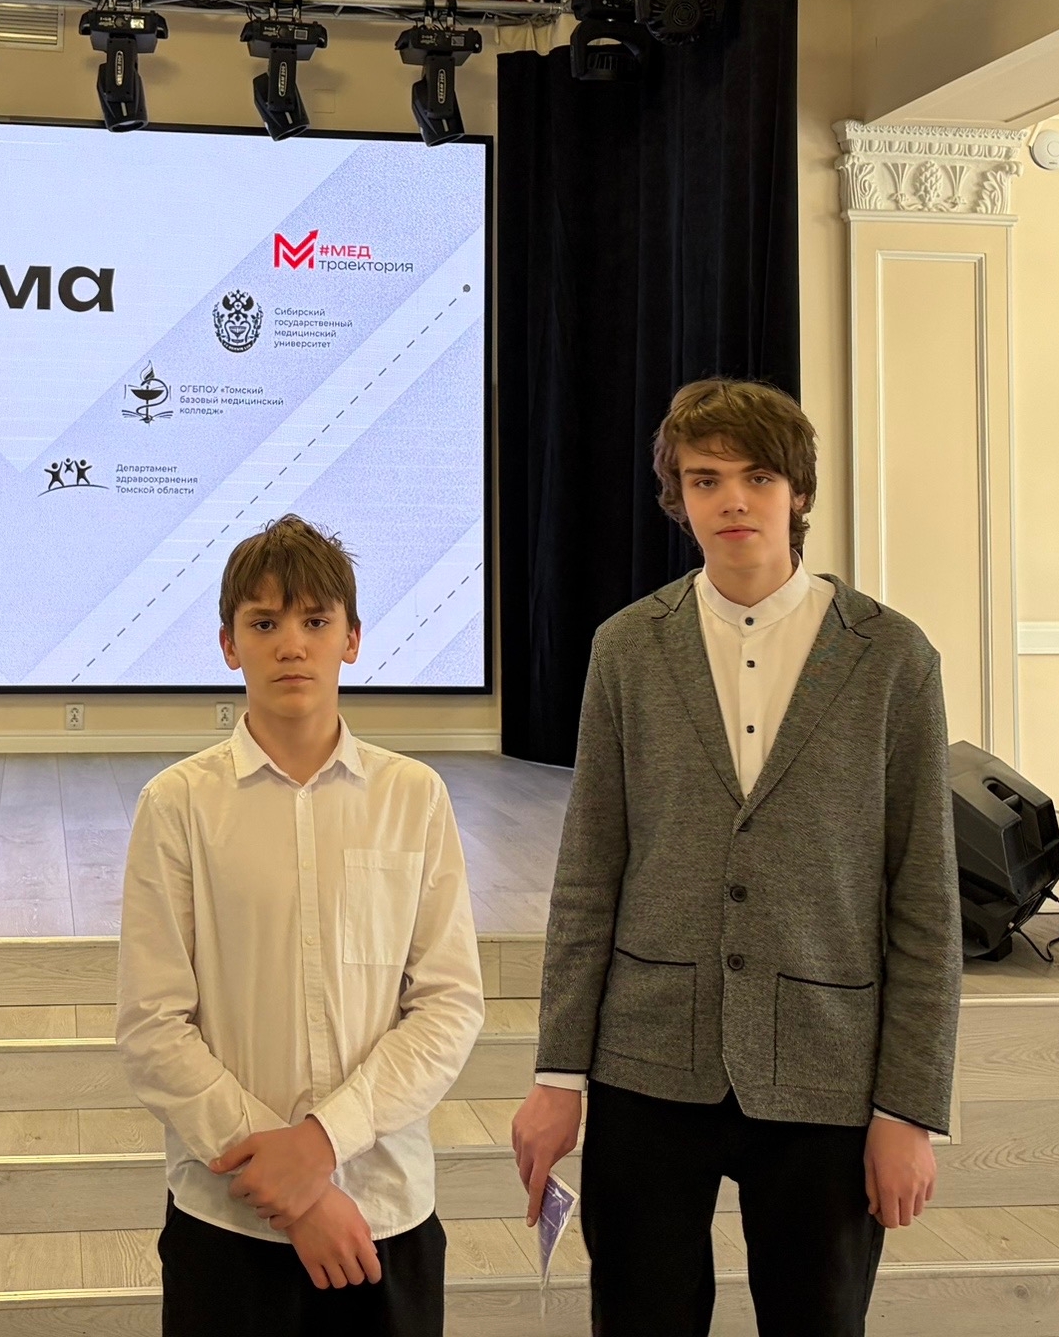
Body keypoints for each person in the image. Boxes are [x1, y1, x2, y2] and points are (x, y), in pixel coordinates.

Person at [509, 379, 959, 1337]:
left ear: (799, 491)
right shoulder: (628, 648)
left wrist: (908, 1109)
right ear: (678, 496)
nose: (733, 500)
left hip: (827, 1066)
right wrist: (558, 1076)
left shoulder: (892, 658)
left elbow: (924, 900)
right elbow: (588, 876)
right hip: (647, 1061)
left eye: (758, 477)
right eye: (705, 479)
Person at [115, 515, 486, 1337]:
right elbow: (152, 1026)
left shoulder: (414, 798)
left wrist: (321, 1146)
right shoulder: (178, 805)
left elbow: (449, 1006)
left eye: (316, 621)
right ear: (228, 645)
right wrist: (295, 1188)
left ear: (352, 639)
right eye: (264, 623)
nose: (291, 645)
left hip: (384, 1211)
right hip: (229, 1224)